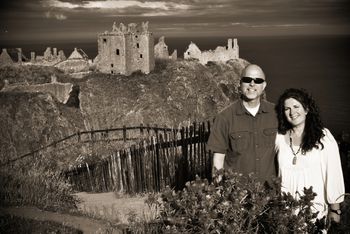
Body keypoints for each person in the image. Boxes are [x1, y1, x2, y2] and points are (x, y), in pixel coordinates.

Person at [275, 88, 345, 223]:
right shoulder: (279, 137)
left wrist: (335, 209)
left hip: (314, 211)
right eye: (287, 109)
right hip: (285, 212)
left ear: (306, 110)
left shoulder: (323, 137)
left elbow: (333, 173)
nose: (292, 112)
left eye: (296, 106)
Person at [207, 64, 278, 183]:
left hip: (270, 194)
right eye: (247, 80)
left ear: (264, 85)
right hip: (237, 196)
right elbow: (218, 159)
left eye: (258, 81)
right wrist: (218, 190)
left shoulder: (276, 114)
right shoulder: (224, 118)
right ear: (240, 84)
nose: (252, 84)